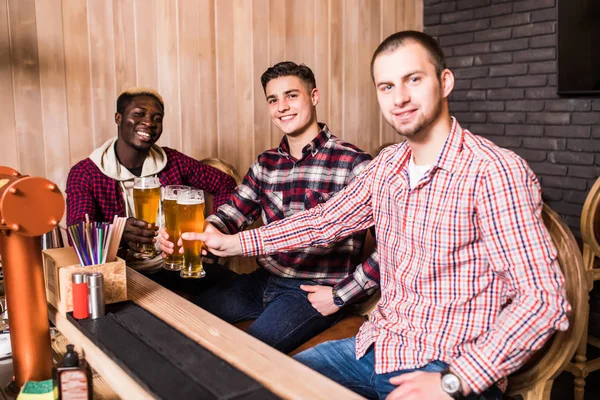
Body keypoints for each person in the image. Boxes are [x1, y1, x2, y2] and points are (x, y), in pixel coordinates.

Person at [184, 31, 570, 400]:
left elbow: (543, 300)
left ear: (445, 81)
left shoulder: (494, 171)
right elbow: (323, 221)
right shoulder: (387, 166)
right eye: (387, 87)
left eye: (413, 79)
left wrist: (456, 381)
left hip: (445, 364)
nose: (399, 97)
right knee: (264, 386)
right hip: (376, 348)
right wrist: (232, 240)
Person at [159, 62, 379, 353]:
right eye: (273, 99)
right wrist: (195, 236)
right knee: (179, 322)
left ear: (314, 96)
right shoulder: (266, 163)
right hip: (264, 280)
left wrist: (341, 295)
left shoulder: (354, 163)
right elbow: (231, 214)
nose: (282, 107)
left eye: (291, 95)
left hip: (309, 291)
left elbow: (391, 248)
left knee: (248, 354)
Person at [65, 87, 237, 277]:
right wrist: (117, 233)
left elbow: (225, 183)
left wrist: (213, 229)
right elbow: (79, 235)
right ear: (118, 118)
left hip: (176, 267)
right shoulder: (86, 173)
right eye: (139, 114)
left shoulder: (174, 162)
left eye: (157, 118)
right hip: (122, 275)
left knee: (243, 297)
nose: (149, 122)